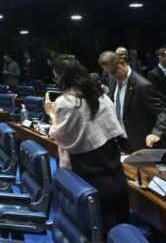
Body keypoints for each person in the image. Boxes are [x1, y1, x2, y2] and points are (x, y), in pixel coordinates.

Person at [46, 55, 128, 233]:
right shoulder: (101, 94)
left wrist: (51, 114)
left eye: (55, 74)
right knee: (123, 228)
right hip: (115, 169)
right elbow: (113, 128)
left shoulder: (65, 102)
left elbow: (61, 136)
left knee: (100, 230)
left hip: (89, 171)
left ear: (61, 76)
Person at [98, 50, 166, 153]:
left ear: (122, 63)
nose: (112, 75)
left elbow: (164, 113)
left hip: (145, 144)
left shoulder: (143, 86)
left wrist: (157, 133)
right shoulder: (112, 79)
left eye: (114, 71)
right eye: (108, 73)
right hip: (125, 142)